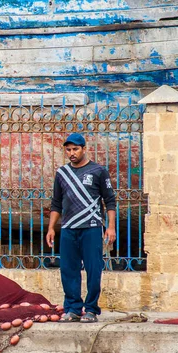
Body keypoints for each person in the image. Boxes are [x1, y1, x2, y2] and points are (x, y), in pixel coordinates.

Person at [46, 133, 116, 323]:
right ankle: (73, 309)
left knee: (94, 269)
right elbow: (56, 203)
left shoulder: (98, 171)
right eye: (68, 150)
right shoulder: (62, 173)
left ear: (84, 149)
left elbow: (109, 201)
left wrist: (110, 227)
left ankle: (91, 309)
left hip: (92, 227)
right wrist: (51, 228)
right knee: (68, 269)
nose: (72, 153)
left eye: (75, 149)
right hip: (68, 228)